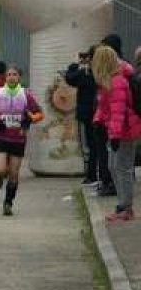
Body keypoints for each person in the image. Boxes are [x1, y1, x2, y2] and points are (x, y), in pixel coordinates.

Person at [0, 66, 43, 216]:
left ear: (19, 77)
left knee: (14, 173)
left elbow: (39, 113)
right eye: (8, 74)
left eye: (14, 74)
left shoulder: (26, 95)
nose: (11, 77)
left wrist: (31, 119)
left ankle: (8, 203)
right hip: (1, 137)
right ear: (5, 77)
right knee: (0, 171)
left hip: (18, 138)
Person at [92, 45, 138, 222]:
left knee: (122, 168)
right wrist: (98, 120)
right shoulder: (110, 80)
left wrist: (115, 135)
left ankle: (125, 207)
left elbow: (118, 112)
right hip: (119, 130)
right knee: (115, 167)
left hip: (124, 131)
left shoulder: (116, 81)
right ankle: (123, 205)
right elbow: (105, 107)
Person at [65, 48, 102, 186]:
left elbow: (70, 77)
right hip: (101, 114)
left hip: (87, 115)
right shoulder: (102, 72)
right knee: (99, 145)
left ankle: (91, 175)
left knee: (89, 145)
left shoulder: (85, 73)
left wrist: (76, 64)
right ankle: (97, 174)